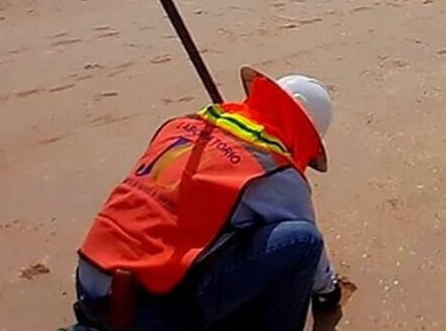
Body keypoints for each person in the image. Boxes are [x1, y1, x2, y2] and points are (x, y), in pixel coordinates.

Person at [71, 67, 341, 331]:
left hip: (91, 279)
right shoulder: (274, 167)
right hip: (145, 305)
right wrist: (329, 293)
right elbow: (313, 258)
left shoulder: (183, 125)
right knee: (303, 242)